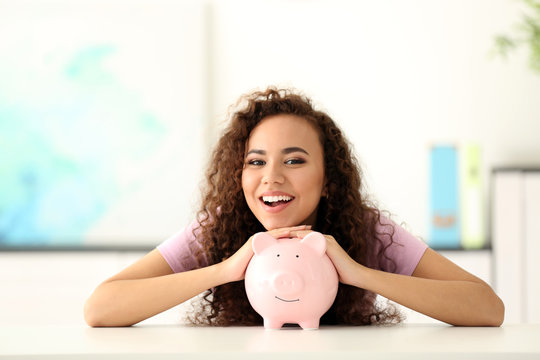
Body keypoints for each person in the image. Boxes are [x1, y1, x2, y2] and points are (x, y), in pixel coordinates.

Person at [84, 87, 504, 327]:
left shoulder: (367, 229)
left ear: (328, 181)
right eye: (255, 161)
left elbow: (488, 308)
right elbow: (100, 308)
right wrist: (226, 269)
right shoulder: (215, 230)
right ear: (240, 176)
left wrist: (358, 273)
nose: (271, 177)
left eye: (294, 160)